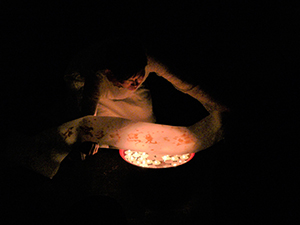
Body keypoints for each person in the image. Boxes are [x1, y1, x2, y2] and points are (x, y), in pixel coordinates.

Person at [5, 36, 229, 178]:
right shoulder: (97, 74)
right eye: (131, 80)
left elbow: (187, 84)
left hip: (119, 79)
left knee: (143, 120)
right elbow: (89, 108)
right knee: (105, 130)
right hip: (86, 84)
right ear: (110, 74)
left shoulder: (142, 61)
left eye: (140, 76)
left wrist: (218, 106)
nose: (137, 82)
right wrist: (88, 135)